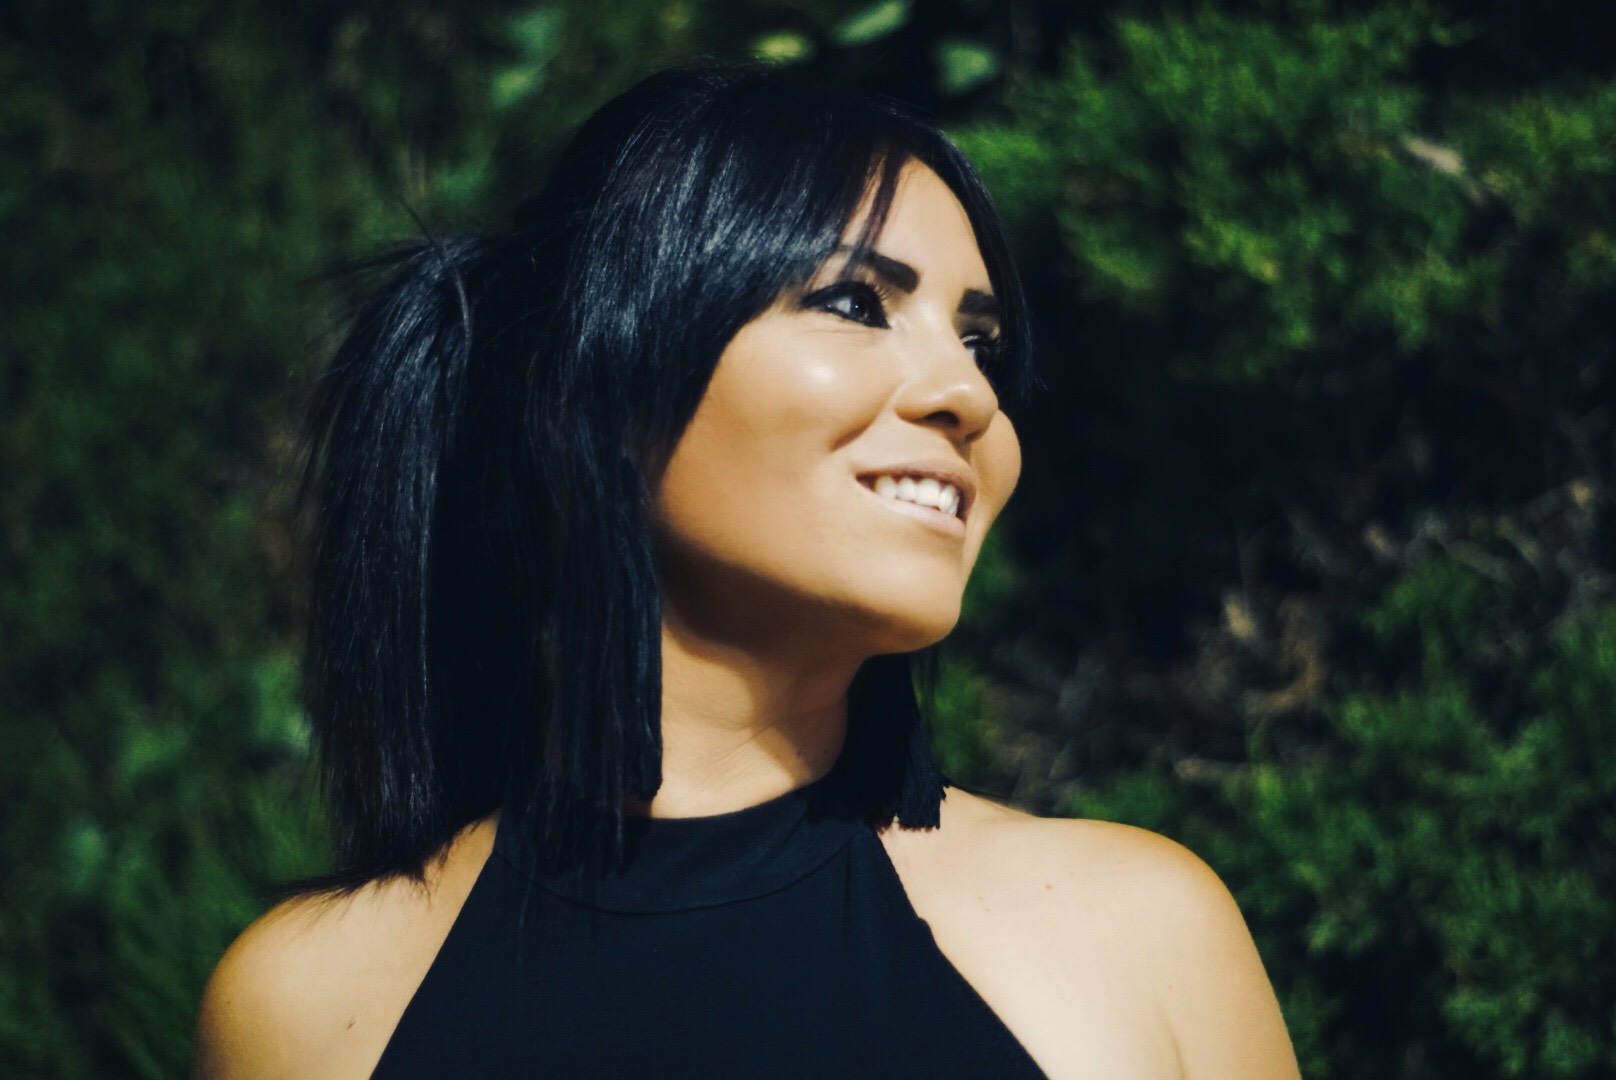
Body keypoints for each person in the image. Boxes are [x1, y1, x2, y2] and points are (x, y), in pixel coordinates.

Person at [193, 64, 1300, 1078]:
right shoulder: (305, 1007)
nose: (968, 395)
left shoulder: (1137, 936)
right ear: (588, 396)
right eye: (856, 303)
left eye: (982, 344)